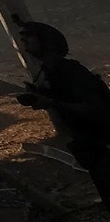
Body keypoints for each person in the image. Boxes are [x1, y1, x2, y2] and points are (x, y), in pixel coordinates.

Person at [15, 19, 110, 208]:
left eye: (28, 41)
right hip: (89, 143)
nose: (24, 47)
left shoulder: (70, 72)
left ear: (44, 41)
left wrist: (52, 102)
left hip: (103, 141)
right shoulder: (49, 71)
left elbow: (95, 107)